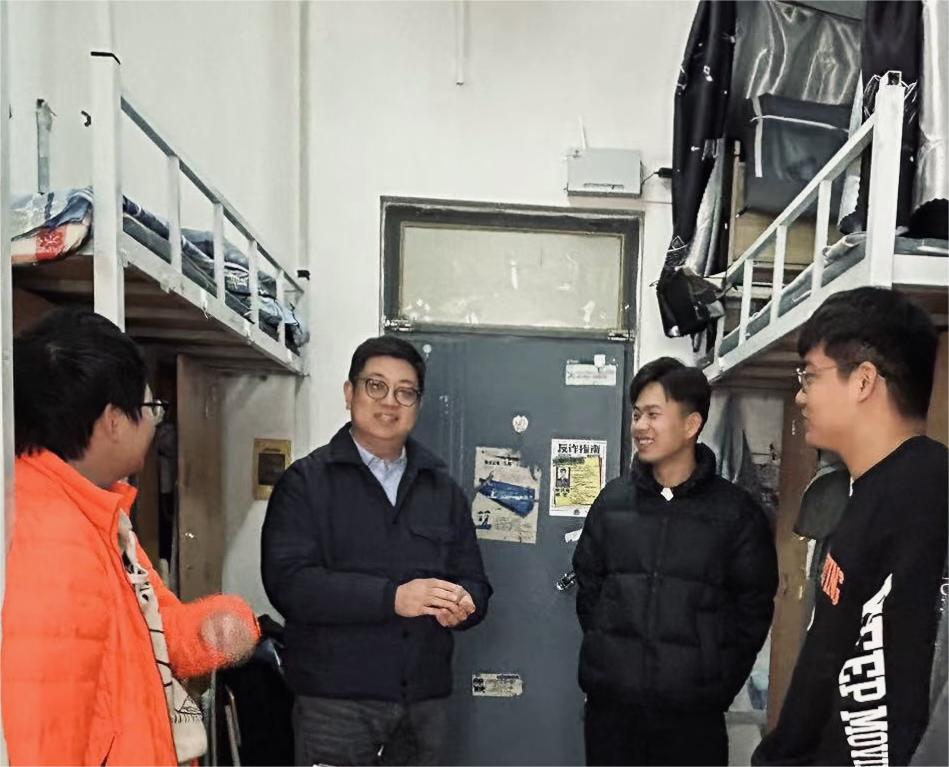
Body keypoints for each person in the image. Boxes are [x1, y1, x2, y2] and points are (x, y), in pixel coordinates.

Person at [2, 307, 259, 766]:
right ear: (113, 421)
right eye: (150, 408)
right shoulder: (47, 540)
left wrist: (215, 628)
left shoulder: (95, 513)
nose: (154, 423)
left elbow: (155, 628)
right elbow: (42, 736)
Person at [261, 335, 492, 766]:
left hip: (422, 705)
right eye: (376, 386)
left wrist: (465, 604)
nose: (390, 402)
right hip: (335, 706)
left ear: (418, 404)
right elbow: (289, 585)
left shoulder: (442, 491)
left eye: (405, 392)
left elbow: (475, 582)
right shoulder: (306, 483)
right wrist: (392, 598)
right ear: (350, 393)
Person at [753, 287, 947, 766]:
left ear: (863, 381)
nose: (801, 396)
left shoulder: (924, 497)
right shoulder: (868, 490)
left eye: (810, 376)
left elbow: (903, 692)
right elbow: (831, 661)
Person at [573, 357, 777, 766]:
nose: (640, 427)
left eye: (653, 414)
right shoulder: (613, 503)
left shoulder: (735, 514)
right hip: (613, 714)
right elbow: (590, 588)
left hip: (692, 719)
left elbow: (753, 609)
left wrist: (716, 683)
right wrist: (612, 659)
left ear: (691, 425)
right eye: (636, 415)